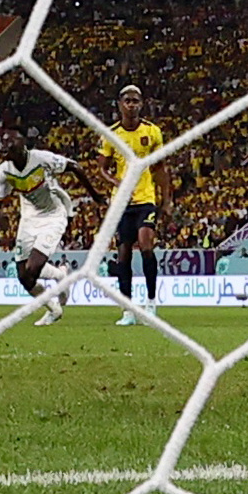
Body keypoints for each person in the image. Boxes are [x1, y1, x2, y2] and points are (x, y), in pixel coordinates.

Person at [0, 128, 93, 325]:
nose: (5, 152)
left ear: (22, 146)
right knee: (24, 277)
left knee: (33, 268)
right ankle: (54, 306)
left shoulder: (41, 158)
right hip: (29, 219)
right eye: (3, 148)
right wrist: (0, 218)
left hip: (54, 215)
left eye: (9, 147)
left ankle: (59, 277)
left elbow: (74, 166)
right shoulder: (4, 171)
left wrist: (94, 194)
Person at [102, 85, 170, 325]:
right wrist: (116, 182)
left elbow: (160, 167)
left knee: (145, 244)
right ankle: (128, 310)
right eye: (127, 100)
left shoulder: (152, 132)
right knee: (122, 255)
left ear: (142, 104)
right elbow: (102, 168)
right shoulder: (111, 134)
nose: (131, 104)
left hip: (146, 199)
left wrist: (167, 198)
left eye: (136, 101)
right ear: (120, 104)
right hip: (121, 203)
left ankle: (151, 303)